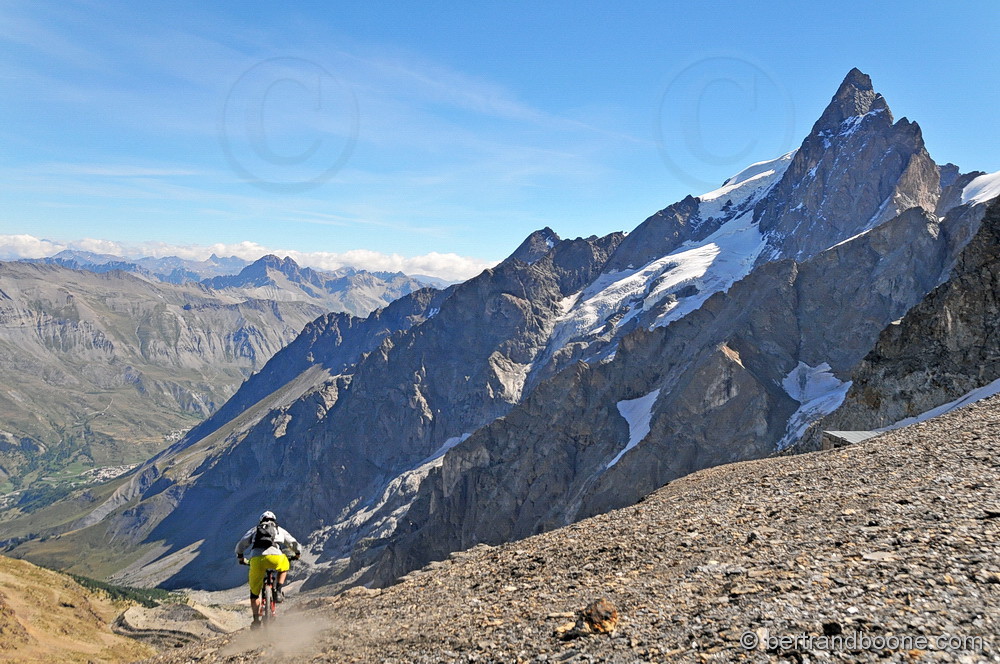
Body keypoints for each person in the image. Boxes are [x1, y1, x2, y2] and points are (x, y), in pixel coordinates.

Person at [235, 510, 302, 628]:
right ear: (274, 520)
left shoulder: (255, 529)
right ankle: (278, 591)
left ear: (261, 521)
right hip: (276, 558)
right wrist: (297, 554)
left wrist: (240, 557)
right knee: (284, 565)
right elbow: (293, 543)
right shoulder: (278, 529)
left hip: (257, 560)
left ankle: (256, 621)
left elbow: (241, 544)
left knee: (254, 594)